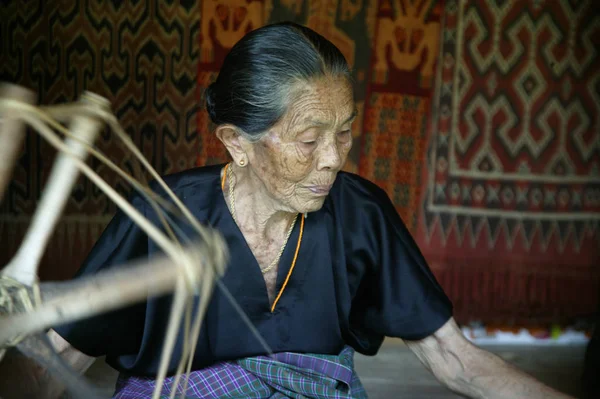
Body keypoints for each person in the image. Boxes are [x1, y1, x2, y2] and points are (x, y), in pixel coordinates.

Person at [2, 22, 575, 399]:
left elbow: (456, 359)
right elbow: (55, 360)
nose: (332, 159)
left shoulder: (361, 215)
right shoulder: (164, 214)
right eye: (309, 139)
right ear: (236, 142)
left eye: (345, 132)